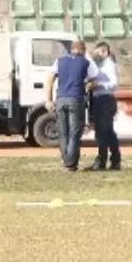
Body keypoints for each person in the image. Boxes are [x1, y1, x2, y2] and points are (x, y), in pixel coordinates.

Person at [45, 39, 98, 172]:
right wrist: (88, 86)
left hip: (61, 98)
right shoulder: (86, 63)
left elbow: (50, 78)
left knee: (63, 132)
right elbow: (94, 81)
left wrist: (49, 99)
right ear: (81, 50)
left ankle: (65, 159)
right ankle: (71, 163)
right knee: (74, 133)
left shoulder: (60, 61)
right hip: (76, 98)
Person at [87, 42, 121, 172]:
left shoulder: (109, 65)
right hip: (98, 99)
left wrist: (98, 85)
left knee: (106, 132)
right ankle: (107, 160)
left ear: (105, 52)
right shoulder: (99, 65)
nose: (96, 55)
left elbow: (113, 83)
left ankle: (108, 161)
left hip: (105, 99)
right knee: (103, 132)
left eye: (98, 53)